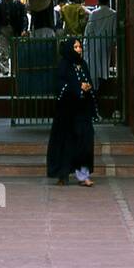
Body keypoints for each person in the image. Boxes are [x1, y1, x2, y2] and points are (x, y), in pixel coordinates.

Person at [47, 37, 97, 187]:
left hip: (82, 111)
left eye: (79, 47)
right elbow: (60, 87)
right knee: (66, 143)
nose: (79, 49)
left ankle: (83, 176)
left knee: (85, 142)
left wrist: (87, 87)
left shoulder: (83, 64)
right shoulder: (64, 65)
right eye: (75, 47)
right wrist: (77, 87)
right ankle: (63, 174)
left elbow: (88, 82)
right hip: (68, 112)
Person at [83, 0, 117, 93]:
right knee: (103, 66)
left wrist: (85, 43)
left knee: (94, 67)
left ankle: (95, 89)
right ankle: (102, 88)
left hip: (94, 44)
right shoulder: (113, 14)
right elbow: (114, 30)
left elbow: (89, 30)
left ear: (98, 0)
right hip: (106, 43)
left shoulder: (94, 13)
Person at [0, 0, 27, 71]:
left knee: (15, 51)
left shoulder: (18, 3)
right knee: (4, 51)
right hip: (3, 29)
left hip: (15, 29)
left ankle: (15, 70)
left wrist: (24, 29)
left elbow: (24, 17)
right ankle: (5, 69)